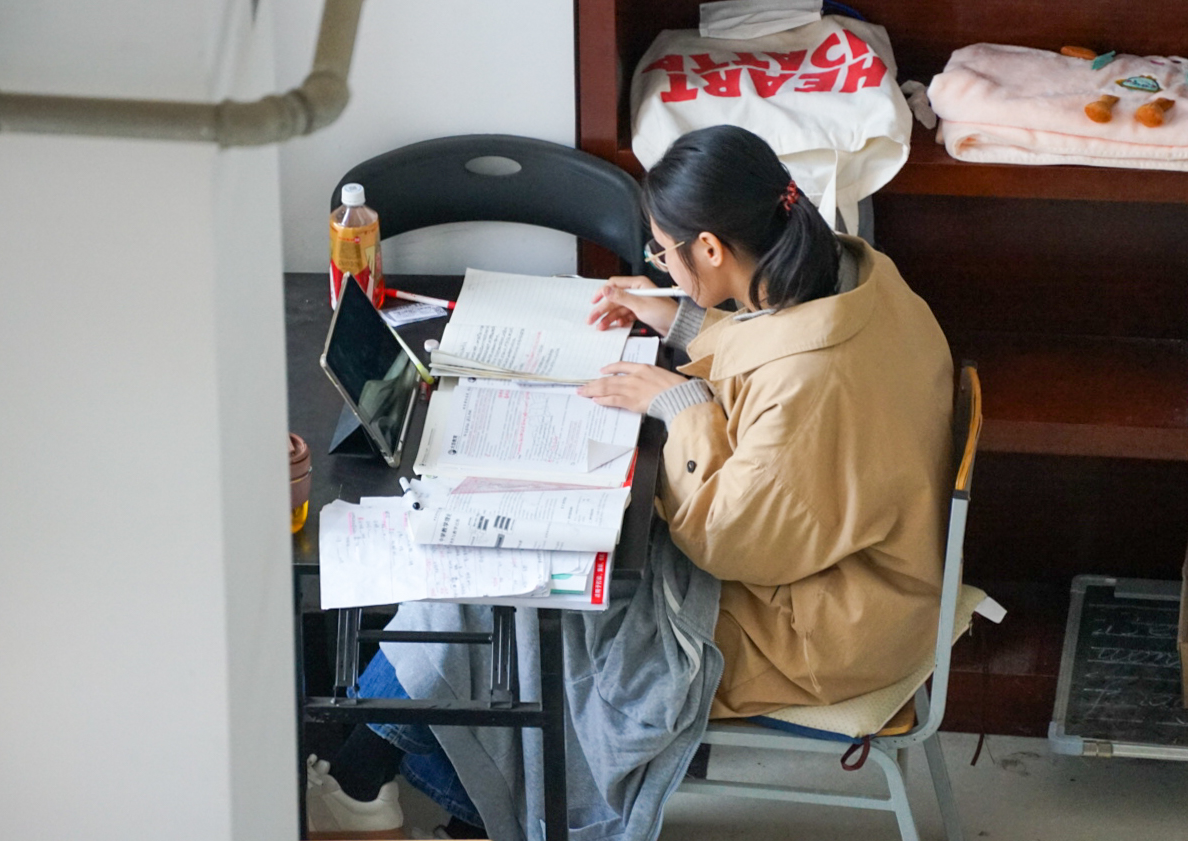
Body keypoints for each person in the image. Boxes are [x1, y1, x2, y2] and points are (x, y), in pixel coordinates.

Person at [305, 124, 954, 840]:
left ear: (711, 248)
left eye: (664, 252)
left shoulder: (813, 382)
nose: (660, 265)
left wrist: (682, 404)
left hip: (816, 623)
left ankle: (372, 780)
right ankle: (406, 792)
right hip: (855, 570)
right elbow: (777, 347)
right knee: (507, 577)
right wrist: (683, 318)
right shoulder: (858, 280)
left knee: (516, 585)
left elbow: (731, 543)